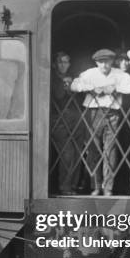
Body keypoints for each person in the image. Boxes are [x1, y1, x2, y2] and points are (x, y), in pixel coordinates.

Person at [70, 48, 130, 196]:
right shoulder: (90, 74)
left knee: (110, 152)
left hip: (113, 114)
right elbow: (74, 85)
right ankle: (95, 187)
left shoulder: (120, 75)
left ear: (112, 62)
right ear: (96, 63)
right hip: (93, 114)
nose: (104, 66)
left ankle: (108, 188)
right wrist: (93, 88)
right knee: (93, 151)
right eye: (101, 62)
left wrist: (115, 87)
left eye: (107, 62)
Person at [50, 51, 85, 195]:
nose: (64, 65)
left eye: (66, 62)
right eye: (60, 62)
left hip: (75, 119)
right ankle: (65, 187)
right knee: (67, 153)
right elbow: (58, 94)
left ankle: (74, 186)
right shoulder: (52, 77)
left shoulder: (74, 79)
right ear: (54, 64)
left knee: (77, 153)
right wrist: (65, 82)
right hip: (58, 119)